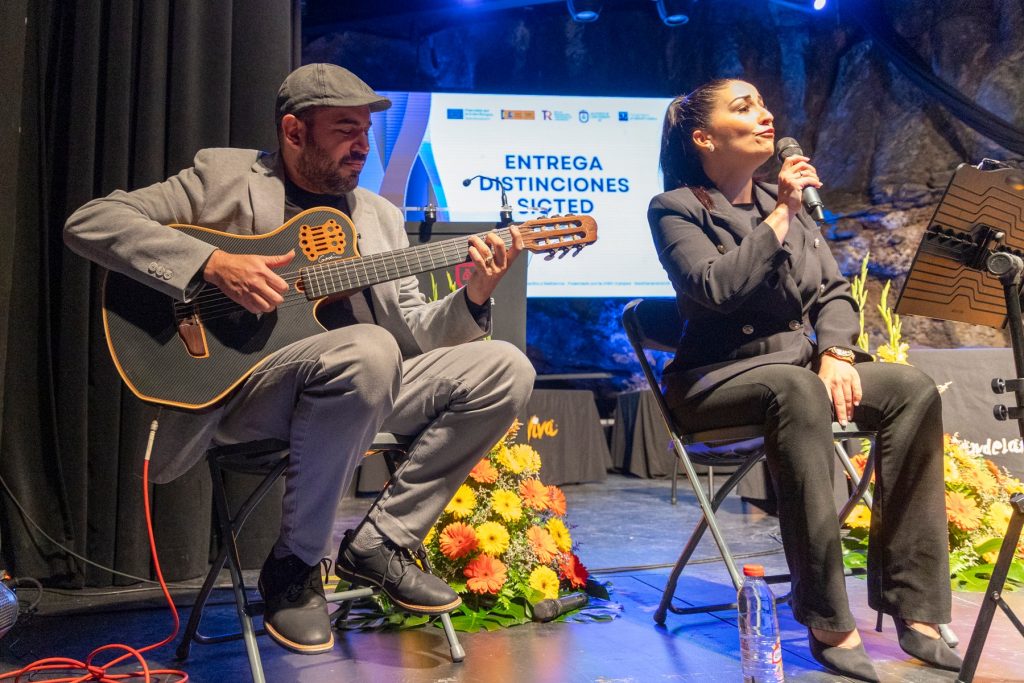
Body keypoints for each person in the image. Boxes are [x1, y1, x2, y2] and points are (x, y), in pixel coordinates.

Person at [64, 63, 535, 655]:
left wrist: (475, 296)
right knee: (370, 348)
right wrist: (212, 265)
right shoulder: (224, 176)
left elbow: (416, 332)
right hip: (247, 393)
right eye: (345, 129)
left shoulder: (380, 216)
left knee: (506, 366)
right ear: (293, 131)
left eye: (366, 131)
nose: (362, 145)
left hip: (364, 389)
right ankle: (296, 566)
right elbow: (90, 222)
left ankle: (380, 543)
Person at [648, 79, 961, 681]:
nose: (765, 115)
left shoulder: (779, 202)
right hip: (716, 383)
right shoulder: (677, 208)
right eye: (744, 107)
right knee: (797, 389)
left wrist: (837, 352)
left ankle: (915, 608)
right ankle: (826, 617)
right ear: (704, 138)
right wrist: (783, 215)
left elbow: (834, 292)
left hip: (799, 373)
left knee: (911, 390)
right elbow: (715, 287)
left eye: (763, 104)